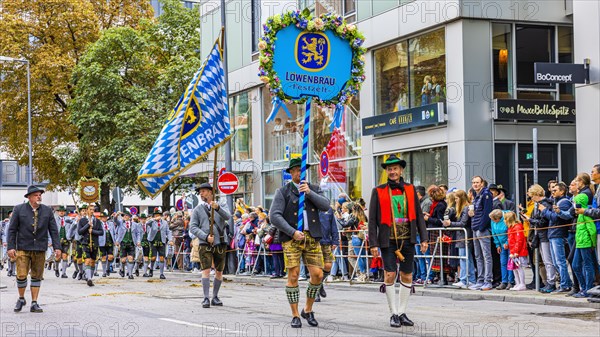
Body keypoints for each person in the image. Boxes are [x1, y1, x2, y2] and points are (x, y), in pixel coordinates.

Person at [368, 155, 428, 328]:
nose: (392, 172)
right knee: (390, 274)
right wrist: (373, 243)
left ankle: (402, 312)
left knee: (407, 274)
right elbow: (372, 220)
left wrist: (423, 238)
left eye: (395, 168)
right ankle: (393, 313)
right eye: (389, 169)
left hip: (407, 239)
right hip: (388, 239)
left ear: (401, 170)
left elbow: (418, 215)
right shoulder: (378, 191)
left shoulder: (410, 189)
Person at [271, 157, 331, 328]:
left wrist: (309, 193)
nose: (299, 173)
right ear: (291, 173)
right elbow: (274, 216)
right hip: (291, 238)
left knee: (318, 274)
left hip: (312, 236)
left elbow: (326, 206)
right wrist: (291, 232)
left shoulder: (313, 188)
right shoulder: (283, 191)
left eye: (302, 169)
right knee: (294, 275)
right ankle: (295, 314)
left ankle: (308, 309)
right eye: (296, 170)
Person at [7, 185, 61, 313]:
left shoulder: (47, 211)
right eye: (36, 195)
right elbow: (12, 230)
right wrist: (10, 247)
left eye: (40, 194)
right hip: (22, 247)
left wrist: (57, 247)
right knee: (21, 275)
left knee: (37, 276)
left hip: (40, 248)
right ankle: (21, 298)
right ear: (29, 197)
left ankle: (34, 302)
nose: (39, 197)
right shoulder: (19, 209)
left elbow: (53, 231)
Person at [189, 183, 230, 308]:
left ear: (211, 192)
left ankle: (215, 296)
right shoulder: (197, 209)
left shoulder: (221, 204)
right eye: (200, 192)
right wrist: (205, 236)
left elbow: (228, 216)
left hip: (220, 241)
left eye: (204, 191)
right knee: (205, 270)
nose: (201, 194)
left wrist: (217, 208)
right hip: (204, 242)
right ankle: (206, 298)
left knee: (219, 270)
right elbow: (193, 227)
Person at [540, 182, 573, 293]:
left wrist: (544, 211)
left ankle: (565, 285)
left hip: (558, 233)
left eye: (555, 190)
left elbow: (555, 218)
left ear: (562, 191)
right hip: (553, 233)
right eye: (552, 190)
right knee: (555, 262)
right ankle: (566, 283)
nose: (552, 192)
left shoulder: (564, 202)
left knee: (560, 261)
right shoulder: (556, 201)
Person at [526, 184, 557, 293]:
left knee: (548, 260)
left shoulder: (544, 204)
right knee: (545, 260)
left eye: (531, 196)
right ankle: (549, 281)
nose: (531, 198)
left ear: (536, 194)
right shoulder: (539, 204)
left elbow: (543, 222)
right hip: (540, 235)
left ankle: (551, 282)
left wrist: (530, 220)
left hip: (545, 235)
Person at [443, 190, 476, 288]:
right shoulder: (461, 208)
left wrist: (450, 224)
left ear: (461, 198)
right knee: (466, 258)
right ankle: (469, 279)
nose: (455, 201)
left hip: (464, 237)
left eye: (457, 198)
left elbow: (463, 223)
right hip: (461, 237)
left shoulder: (465, 208)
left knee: (465, 258)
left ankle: (466, 279)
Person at [467, 176, 493, 291]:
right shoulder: (475, 196)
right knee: (478, 256)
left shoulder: (486, 195)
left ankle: (488, 281)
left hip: (481, 229)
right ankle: (480, 280)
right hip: (475, 227)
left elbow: (487, 212)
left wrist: (481, 227)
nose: (475, 184)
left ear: (482, 183)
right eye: (473, 183)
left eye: (477, 182)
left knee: (486, 255)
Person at [572, 192, 598, 298]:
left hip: (586, 243)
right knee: (575, 265)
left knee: (588, 265)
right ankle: (583, 287)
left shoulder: (585, 214)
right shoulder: (579, 215)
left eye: (575, 203)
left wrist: (593, 243)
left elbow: (592, 230)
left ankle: (588, 289)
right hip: (579, 243)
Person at [78, 204, 103, 287]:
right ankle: (89, 279)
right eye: (90, 209)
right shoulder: (82, 221)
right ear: (87, 210)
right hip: (85, 243)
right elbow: (80, 231)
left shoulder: (97, 221)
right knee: (87, 260)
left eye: (93, 209)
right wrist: (87, 225)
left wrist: (93, 231)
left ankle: (90, 277)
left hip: (94, 243)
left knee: (92, 262)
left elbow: (101, 232)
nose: (92, 211)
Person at [489, 209, 514, 290]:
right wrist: (497, 245)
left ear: (498, 219)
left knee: (510, 263)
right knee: (503, 262)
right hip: (501, 243)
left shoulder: (506, 219)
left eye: (494, 220)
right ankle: (504, 281)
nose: (493, 222)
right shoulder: (493, 221)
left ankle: (511, 281)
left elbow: (510, 231)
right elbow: (493, 232)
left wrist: (507, 242)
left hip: (509, 243)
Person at [148, 207, 173, 280]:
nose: (158, 216)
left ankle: (161, 273)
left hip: (162, 240)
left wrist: (170, 240)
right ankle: (151, 269)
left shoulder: (164, 222)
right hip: (153, 240)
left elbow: (168, 231)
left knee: (162, 257)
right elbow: (147, 223)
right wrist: (154, 219)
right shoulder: (152, 221)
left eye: (159, 215)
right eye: (156, 215)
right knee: (153, 257)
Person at [505, 211, 528, 291]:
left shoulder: (517, 227)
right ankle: (518, 283)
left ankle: (522, 283)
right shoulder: (511, 228)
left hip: (518, 252)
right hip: (513, 252)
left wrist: (516, 252)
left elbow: (519, 241)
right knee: (514, 268)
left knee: (519, 268)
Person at [115, 209, 140, 279]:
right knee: (123, 260)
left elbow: (138, 233)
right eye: (124, 215)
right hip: (123, 242)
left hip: (131, 243)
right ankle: (122, 269)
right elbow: (115, 220)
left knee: (130, 258)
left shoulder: (135, 224)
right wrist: (117, 215)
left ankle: (130, 274)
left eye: (126, 215)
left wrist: (138, 241)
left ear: (129, 216)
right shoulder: (120, 223)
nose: (125, 216)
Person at [53, 206, 72, 278]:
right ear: (58, 212)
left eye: (63, 211)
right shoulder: (54, 220)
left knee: (65, 256)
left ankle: (64, 273)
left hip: (66, 239)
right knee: (58, 256)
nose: (61, 212)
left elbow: (72, 228)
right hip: (57, 240)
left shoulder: (68, 219)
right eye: (60, 211)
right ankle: (56, 268)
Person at [98, 210, 116, 277]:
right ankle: (104, 272)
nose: (104, 218)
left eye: (105, 217)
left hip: (110, 242)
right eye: (102, 217)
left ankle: (108, 268)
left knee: (110, 257)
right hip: (102, 242)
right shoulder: (99, 224)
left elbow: (114, 232)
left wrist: (115, 240)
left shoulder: (110, 223)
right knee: (103, 257)